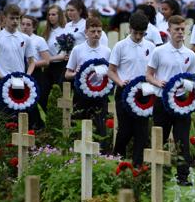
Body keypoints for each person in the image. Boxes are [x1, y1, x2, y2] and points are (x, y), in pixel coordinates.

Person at [146, 15, 195, 186]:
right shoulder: (158, 51)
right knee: (160, 137)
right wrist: (158, 82)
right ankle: (155, 173)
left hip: (181, 103)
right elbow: (149, 75)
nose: (180, 32)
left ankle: (182, 177)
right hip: (162, 101)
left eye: (183, 29)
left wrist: (187, 88)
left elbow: (192, 79)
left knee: (182, 140)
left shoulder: (190, 54)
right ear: (169, 31)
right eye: (177, 29)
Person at [107, 13, 155, 167]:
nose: (139, 36)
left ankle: (137, 166)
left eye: (142, 33)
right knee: (125, 130)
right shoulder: (120, 46)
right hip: (124, 92)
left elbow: (153, 71)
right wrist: (120, 82)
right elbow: (111, 71)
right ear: (130, 29)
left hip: (144, 94)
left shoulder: (150, 46)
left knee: (141, 132)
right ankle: (117, 160)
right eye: (136, 33)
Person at [64, 17, 111, 147]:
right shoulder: (78, 50)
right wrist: (75, 73)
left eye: (99, 31)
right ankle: (77, 150)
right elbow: (67, 74)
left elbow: (111, 73)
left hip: (100, 94)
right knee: (78, 123)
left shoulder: (106, 51)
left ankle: (102, 152)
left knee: (100, 125)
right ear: (86, 32)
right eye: (93, 31)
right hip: (82, 94)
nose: (96, 34)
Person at [0, 5, 36, 118]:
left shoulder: (25, 38)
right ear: (4, 18)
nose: (15, 21)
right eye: (12, 18)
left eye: (17, 18)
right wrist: (2, 77)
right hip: (0, 81)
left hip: (19, 81)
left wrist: (27, 76)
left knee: (20, 114)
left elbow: (32, 62)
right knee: (1, 115)